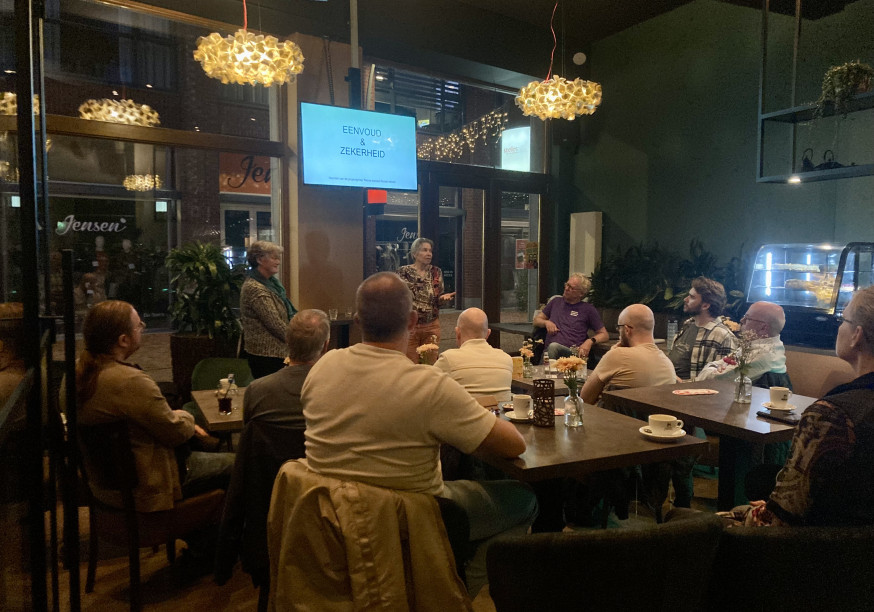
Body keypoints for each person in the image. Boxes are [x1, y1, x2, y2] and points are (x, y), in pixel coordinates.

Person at [301, 272, 537, 596]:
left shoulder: (320, 370)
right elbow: (513, 445)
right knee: (524, 499)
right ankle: (460, 588)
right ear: (413, 321)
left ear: (357, 321)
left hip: (331, 520)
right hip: (413, 519)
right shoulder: (428, 385)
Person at [75, 301, 234, 562]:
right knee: (238, 462)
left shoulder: (78, 374)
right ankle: (213, 549)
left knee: (206, 446)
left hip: (104, 487)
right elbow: (173, 431)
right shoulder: (129, 381)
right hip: (150, 483)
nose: (143, 328)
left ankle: (205, 543)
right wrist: (186, 416)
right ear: (124, 340)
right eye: (139, 325)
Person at [732, 287, 874, 527]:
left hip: (819, 553)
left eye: (843, 319)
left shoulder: (831, 416)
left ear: (856, 335)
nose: (839, 326)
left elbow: (782, 518)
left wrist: (760, 511)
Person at [243, 308, 330, 427]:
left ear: (287, 340)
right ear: (326, 346)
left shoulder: (256, 391)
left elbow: (248, 435)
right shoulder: (337, 391)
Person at [580, 304, 677, 405]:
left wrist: (612, 353)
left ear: (627, 330)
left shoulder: (617, 355)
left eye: (619, 328)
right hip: (649, 419)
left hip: (609, 419)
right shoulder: (667, 364)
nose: (619, 332)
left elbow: (585, 399)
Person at [697, 301, 790, 387]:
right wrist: (714, 368)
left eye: (748, 318)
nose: (742, 320)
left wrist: (711, 369)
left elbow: (714, 379)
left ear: (763, 327)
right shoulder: (756, 346)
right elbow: (717, 368)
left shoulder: (764, 354)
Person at [240, 240, 297, 379]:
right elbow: (275, 324)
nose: (278, 262)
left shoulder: (272, 283)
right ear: (259, 259)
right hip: (265, 356)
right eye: (274, 258)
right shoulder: (255, 288)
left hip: (277, 353)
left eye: (278, 258)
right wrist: (299, 340)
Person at [434, 307, 513, 402]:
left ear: (458, 332)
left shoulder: (448, 359)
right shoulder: (506, 359)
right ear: (488, 334)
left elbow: (427, 390)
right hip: (499, 416)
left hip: (464, 416)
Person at [668, 276, 738, 381]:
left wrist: (680, 382)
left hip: (690, 392)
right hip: (669, 385)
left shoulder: (722, 335)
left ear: (705, 305)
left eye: (692, 297)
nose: (685, 299)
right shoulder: (689, 324)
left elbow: (719, 379)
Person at [397, 237, 456, 362]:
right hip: (410, 326)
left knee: (430, 363)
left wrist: (443, 299)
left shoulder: (436, 272)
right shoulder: (404, 272)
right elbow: (398, 298)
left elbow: (437, 300)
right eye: (424, 250)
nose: (429, 253)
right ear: (414, 253)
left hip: (431, 326)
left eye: (430, 251)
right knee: (410, 363)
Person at [533, 273, 608, 361]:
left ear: (581, 293)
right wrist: (546, 322)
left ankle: (545, 372)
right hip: (549, 352)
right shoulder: (555, 302)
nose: (566, 288)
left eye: (571, 288)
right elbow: (536, 320)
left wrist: (589, 341)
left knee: (554, 347)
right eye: (567, 285)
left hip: (572, 354)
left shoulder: (588, 309)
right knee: (550, 348)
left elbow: (604, 334)